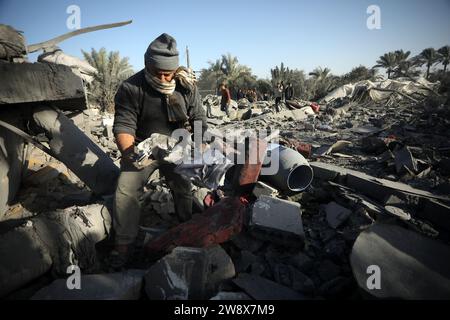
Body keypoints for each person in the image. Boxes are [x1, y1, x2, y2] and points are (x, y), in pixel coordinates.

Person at [110, 33, 208, 268]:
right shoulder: (131, 87)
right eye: (158, 73)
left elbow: (198, 119)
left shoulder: (186, 86)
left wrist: (200, 146)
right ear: (147, 65)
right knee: (125, 189)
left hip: (177, 147)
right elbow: (124, 125)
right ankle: (123, 246)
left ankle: (185, 227)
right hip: (143, 147)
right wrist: (130, 152)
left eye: (169, 73)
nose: (164, 78)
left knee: (183, 187)